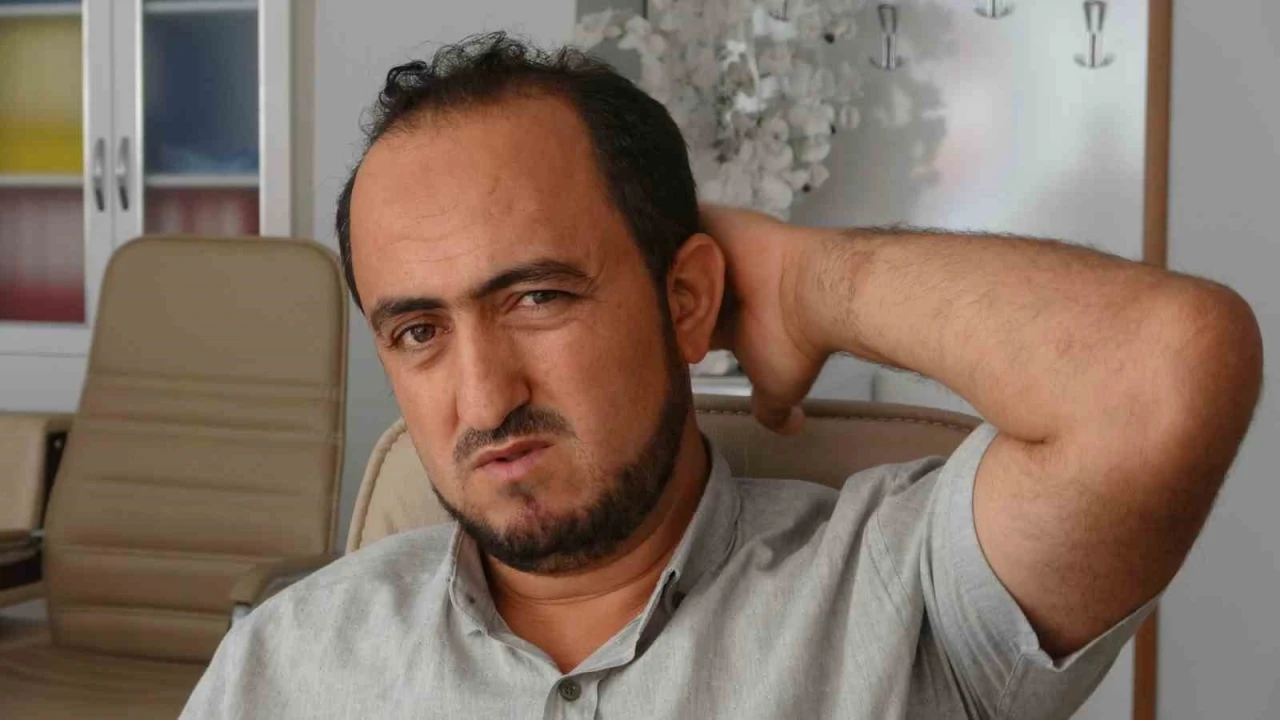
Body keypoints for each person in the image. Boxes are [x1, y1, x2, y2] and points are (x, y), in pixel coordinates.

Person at [180, 32, 1262, 719]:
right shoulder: (287, 662)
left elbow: (1166, 372)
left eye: (539, 297)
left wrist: (805, 281)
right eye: (418, 331)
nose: (484, 398)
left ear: (686, 300)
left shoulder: (895, 601)